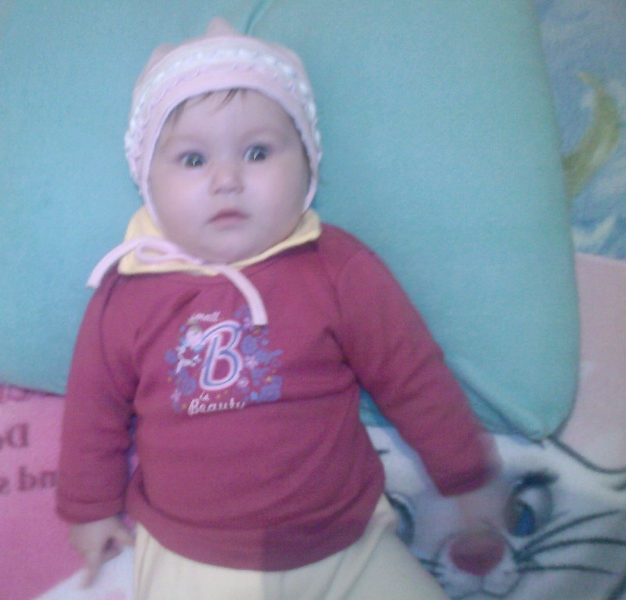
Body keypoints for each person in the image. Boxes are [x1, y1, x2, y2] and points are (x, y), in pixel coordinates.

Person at [56, 18, 503, 600]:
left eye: (258, 152)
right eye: (192, 160)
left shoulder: (336, 267)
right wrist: (89, 508)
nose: (227, 179)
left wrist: (466, 474)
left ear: (308, 165)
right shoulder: (129, 287)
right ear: (147, 180)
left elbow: (412, 376)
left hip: (347, 542)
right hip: (193, 555)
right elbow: (93, 411)